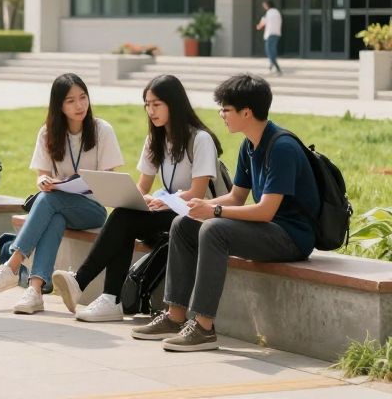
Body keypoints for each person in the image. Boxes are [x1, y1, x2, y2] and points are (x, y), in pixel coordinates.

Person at [130, 74, 319, 352]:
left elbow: (266, 211)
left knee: (214, 228)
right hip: (268, 229)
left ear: (246, 112)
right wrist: (199, 207)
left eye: (226, 109)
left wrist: (214, 211)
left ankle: (204, 327)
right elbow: (236, 197)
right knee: (184, 223)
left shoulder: (282, 148)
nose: (221, 115)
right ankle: (175, 317)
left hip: (291, 237)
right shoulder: (249, 145)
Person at [55, 74, 220, 322]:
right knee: (124, 212)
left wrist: (165, 201)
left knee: (124, 219)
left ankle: (90, 287)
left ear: (173, 104)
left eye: (156, 104)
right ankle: (109, 298)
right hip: (167, 213)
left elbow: (197, 192)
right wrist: (132, 197)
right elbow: (143, 186)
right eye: (147, 105)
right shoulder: (156, 139)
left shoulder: (200, 139)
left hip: (195, 216)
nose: (151, 111)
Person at [0, 73, 123, 315]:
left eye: (83, 97)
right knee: (53, 213)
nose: (79, 105)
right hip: (59, 205)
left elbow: (107, 182)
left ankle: (12, 266)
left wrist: (69, 184)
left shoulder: (102, 130)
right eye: (70, 101)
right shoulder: (48, 133)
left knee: (49, 201)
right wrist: (44, 180)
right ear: (59, 105)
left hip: (93, 210)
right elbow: (41, 175)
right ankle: (35, 290)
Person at [256, 0, 283, 75]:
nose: (264, 7)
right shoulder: (277, 12)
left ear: (268, 5)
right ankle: (271, 67)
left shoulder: (269, 12)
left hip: (270, 34)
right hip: (277, 33)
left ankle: (277, 68)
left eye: (264, 5)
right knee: (273, 50)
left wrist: (258, 26)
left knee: (269, 50)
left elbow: (263, 22)